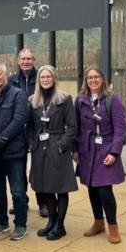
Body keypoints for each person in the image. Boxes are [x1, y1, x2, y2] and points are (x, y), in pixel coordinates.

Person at [73, 66, 126, 244]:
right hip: (87, 150)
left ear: (102, 79)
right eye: (90, 78)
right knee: (92, 187)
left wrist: (115, 152)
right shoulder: (80, 100)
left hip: (106, 148)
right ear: (86, 81)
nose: (93, 80)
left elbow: (120, 128)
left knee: (104, 189)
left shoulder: (113, 99)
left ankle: (113, 226)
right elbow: (76, 127)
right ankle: (98, 223)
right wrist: (75, 150)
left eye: (96, 77)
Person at [26, 65, 78, 240]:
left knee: (61, 188)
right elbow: (30, 126)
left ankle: (60, 225)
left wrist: (62, 145)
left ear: (54, 78)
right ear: (38, 80)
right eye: (42, 77)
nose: (45, 80)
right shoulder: (33, 100)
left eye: (48, 77)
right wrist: (32, 143)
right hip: (40, 148)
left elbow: (72, 126)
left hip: (58, 145)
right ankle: (52, 221)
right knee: (45, 186)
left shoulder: (64, 99)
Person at [0, 61, 29, 241]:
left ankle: (21, 224)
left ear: (6, 75)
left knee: (17, 191)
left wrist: (4, 138)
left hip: (14, 153)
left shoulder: (18, 95)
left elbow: (19, 119)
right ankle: (1, 222)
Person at [9, 48, 48, 218]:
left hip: (38, 129)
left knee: (39, 167)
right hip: (18, 131)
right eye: (22, 59)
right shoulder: (11, 80)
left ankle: (43, 202)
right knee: (18, 168)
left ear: (34, 60)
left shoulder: (41, 77)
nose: (25, 62)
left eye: (28, 59)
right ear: (18, 61)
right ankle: (21, 201)